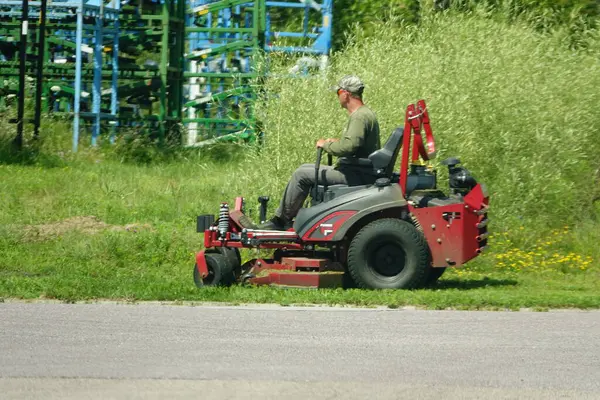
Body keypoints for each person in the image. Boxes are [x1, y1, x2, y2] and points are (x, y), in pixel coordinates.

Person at [258, 75, 381, 231]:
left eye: (338, 93)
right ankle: (290, 218)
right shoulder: (365, 113)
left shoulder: (359, 116)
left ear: (346, 94)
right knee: (304, 168)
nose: (338, 97)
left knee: (301, 174)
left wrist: (326, 145)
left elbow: (349, 147)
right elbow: (356, 145)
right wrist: (335, 142)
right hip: (359, 170)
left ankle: (281, 221)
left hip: (354, 174)